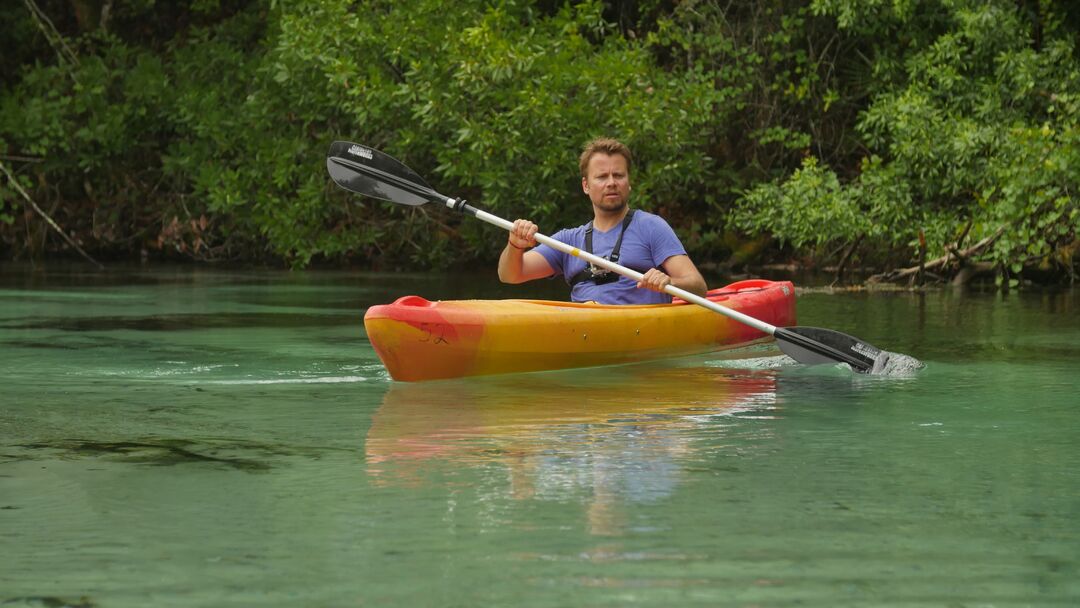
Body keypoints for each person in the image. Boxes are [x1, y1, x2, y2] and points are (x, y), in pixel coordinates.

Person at [498, 137, 707, 304]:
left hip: (639, 328)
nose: (611, 183)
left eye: (618, 175)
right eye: (601, 177)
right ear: (586, 186)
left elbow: (698, 286)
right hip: (583, 328)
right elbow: (510, 275)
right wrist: (515, 245)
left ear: (629, 182)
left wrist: (669, 281)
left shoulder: (651, 227)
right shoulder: (568, 240)